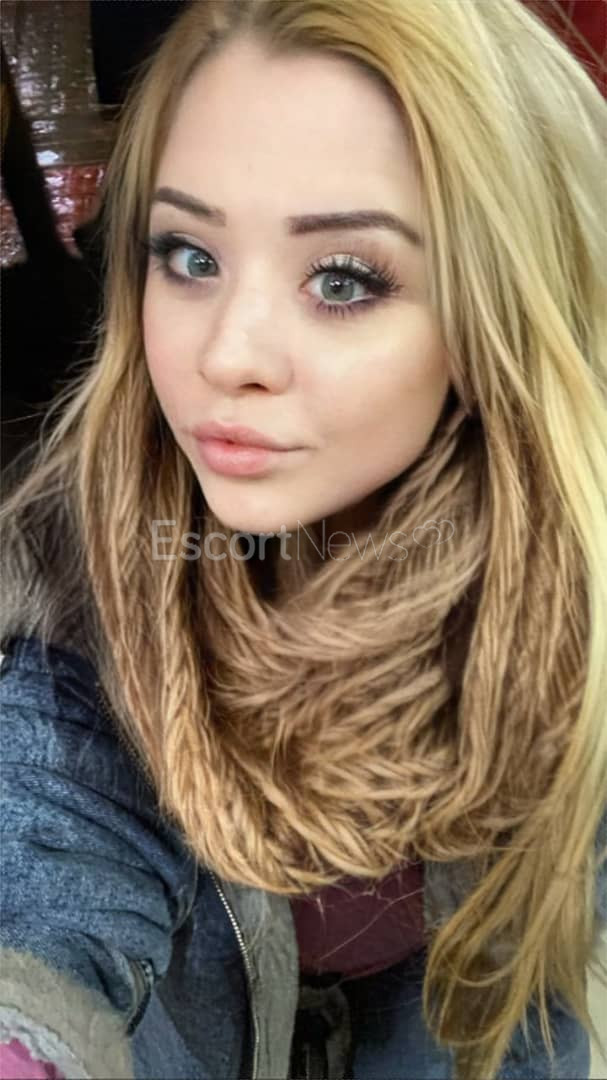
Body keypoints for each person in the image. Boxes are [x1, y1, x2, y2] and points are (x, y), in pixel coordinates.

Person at [1, 1, 606, 1078]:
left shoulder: (578, 587)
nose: (226, 355)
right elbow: (48, 869)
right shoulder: (72, 606)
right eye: (189, 255)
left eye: (342, 279)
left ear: (501, 309)